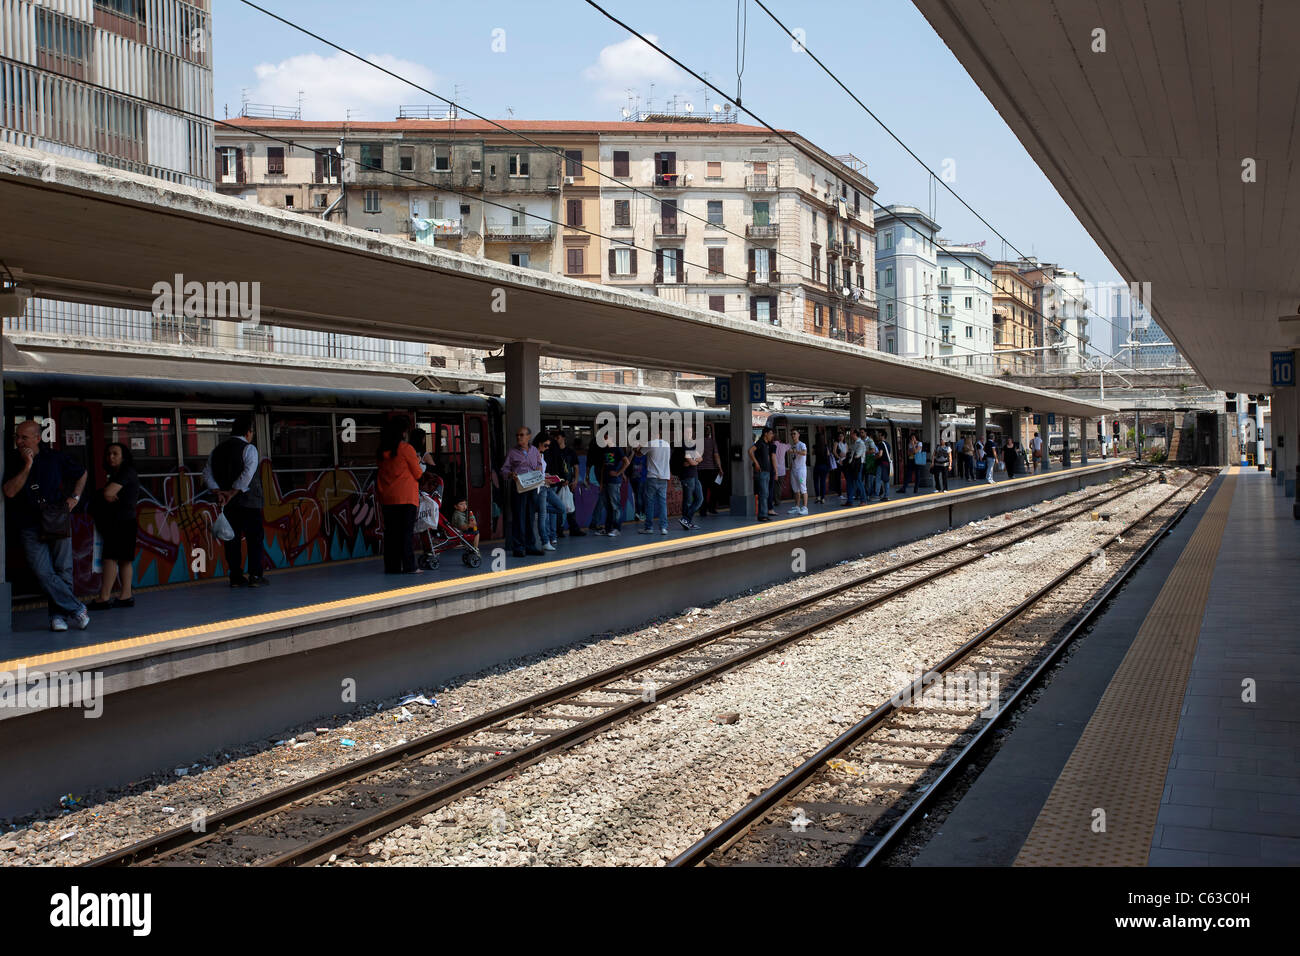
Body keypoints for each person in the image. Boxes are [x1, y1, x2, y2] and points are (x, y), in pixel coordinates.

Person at [3, 420, 90, 631]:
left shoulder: (54, 457)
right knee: (43, 572)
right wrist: (27, 466)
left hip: (56, 518)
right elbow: (9, 491)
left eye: (24, 437)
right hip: (28, 523)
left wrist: (75, 498)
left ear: (37, 438)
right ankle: (77, 609)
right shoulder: (13, 460)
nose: (19, 441)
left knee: (63, 569)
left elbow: (82, 473)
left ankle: (57, 617)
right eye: (17, 436)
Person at [203, 413, 269, 588]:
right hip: (250, 503)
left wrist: (218, 492)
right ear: (248, 432)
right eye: (252, 431)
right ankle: (255, 575)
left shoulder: (217, 450)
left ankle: (235, 577)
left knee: (231, 539)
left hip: (228, 505)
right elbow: (247, 475)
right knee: (254, 538)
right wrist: (232, 492)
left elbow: (207, 473)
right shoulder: (249, 449)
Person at [89, 441, 140, 610]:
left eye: (115, 454)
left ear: (123, 457)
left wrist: (105, 494)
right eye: (108, 454)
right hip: (127, 520)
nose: (111, 457)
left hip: (119, 522)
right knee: (125, 559)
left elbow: (109, 493)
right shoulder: (122, 473)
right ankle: (126, 596)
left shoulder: (124, 472)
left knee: (110, 558)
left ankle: (104, 597)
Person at [374, 415, 425, 573]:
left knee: (391, 534)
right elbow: (418, 474)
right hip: (406, 497)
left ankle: (392, 566)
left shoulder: (382, 450)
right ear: (403, 432)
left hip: (387, 498)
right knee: (406, 533)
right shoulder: (406, 449)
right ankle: (409, 566)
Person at [500, 424, 545, 558]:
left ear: (528, 436)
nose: (519, 437)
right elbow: (504, 470)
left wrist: (538, 469)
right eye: (517, 435)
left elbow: (539, 464)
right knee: (519, 517)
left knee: (530, 517)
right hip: (518, 487)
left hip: (531, 487)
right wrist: (510, 474)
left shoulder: (535, 451)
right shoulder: (512, 452)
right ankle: (518, 547)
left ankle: (531, 546)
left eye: (521, 435)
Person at [545, 430, 585, 537]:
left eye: (557, 437)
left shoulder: (570, 452)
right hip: (557, 484)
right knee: (559, 507)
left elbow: (575, 467)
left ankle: (573, 528)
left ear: (563, 438)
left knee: (570, 506)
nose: (556, 440)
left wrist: (575, 480)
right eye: (554, 438)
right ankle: (559, 530)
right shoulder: (552, 451)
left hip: (568, 483)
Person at [533, 433, 566, 551]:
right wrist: (545, 478)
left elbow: (540, 473)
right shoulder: (533, 454)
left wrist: (547, 476)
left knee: (561, 508)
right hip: (540, 487)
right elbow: (533, 475)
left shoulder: (541, 454)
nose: (547, 448)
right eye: (546, 445)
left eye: (549, 446)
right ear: (539, 442)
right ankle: (545, 541)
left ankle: (537, 508)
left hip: (545, 486)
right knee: (543, 516)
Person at [594, 439, 629, 537]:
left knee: (615, 506)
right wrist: (601, 483)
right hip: (605, 481)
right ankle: (608, 528)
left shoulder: (617, 449)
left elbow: (627, 462)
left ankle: (617, 528)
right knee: (608, 506)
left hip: (614, 482)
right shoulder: (605, 450)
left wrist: (618, 473)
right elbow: (603, 468)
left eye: (606, 437)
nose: (604, 440)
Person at [640, 427, 671, 536]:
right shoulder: (667, 444)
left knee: (650, 503)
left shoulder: (650, 443)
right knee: (663, 503)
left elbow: (640, 454)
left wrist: (639, 446)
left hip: (652, 477)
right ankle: (663, 528)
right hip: (664, 478)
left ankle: (649, 527)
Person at [678, 427, 704, 530]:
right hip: (687, 476)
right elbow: (692, 461)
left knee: (700, 498)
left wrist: (694, 461)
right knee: (688, 501)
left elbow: (700, 458)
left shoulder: (692, 444)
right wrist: (694, 461)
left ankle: (686, 519)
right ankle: (686, 521)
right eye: (687, 432)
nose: (689, 434)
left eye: (690, 432)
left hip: (694, 476)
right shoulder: (683, 445)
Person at [748, 427, 776, 521]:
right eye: (771, 433)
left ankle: (764, 514)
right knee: (763, 494)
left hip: (767, 472)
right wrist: (756, 463)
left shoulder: (767, 444)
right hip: (762, 472)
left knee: (765, 494)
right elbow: (750, 451)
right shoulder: (760, 443)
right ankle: (762, 515)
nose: (772, 436)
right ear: (766, 434)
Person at [698, 423, 722, 516]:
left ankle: (702, 510)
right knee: (714, 489)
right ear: (708, 433)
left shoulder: (697, 442)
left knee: (702, 490)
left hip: (700, 470)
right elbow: (716, 455)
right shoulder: (712, 442)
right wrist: (720, 468)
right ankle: (712, 508)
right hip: (711, 469)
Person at [787, 428, 808, 515]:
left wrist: (795, 451)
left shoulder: (802, 444)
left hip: (801, 471)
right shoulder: (792, 446)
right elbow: (793, 460)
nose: (793, 435)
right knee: (796, 489)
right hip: (794, 471)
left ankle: (805, 508)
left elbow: (804, 453)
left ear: (798, 435)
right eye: (792, 434)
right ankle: (797, 507)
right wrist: (790, 469)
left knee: (803, 488)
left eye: (794, 434)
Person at [630, 444, 648, 523]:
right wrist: (632, 453)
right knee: (636, 496)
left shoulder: (645, 455)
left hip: (642, 478)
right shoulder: (632, 454)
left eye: (637, 445)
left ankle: (641, 513)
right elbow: (628, 462)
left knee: (640, 495)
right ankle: (638, 513)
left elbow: (648, 466)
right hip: (633, 478)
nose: (636, 446)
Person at [812, 429, 830, 506]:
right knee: (823, 482)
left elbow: (812, 453)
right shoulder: (825, 446)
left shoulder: (815, 446)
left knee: (816, 481)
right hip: (825, 466)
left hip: (817, 466)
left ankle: (818, 497)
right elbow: (828, 455)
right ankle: (823, 498)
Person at [874, 432, 892, 501]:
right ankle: (886, 496)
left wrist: (875, 457)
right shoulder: (888, 444)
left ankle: (876, 495)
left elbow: (880, 454)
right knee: (886, 480)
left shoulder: (881, 444)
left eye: (879, 435)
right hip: (887, 464)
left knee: (878, 480)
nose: (878, 436)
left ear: (883, 436)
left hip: (881, 464)